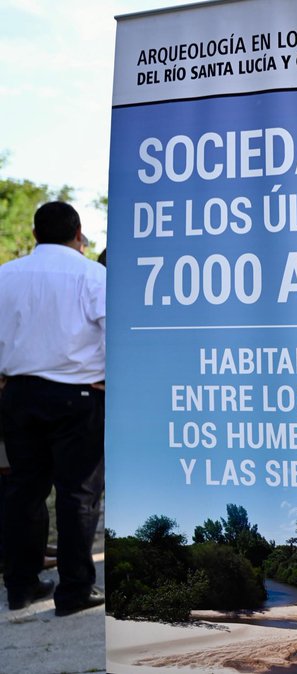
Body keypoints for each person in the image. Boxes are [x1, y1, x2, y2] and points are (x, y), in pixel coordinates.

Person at [0, 201, 107, 616]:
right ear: (78, 234)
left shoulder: (6, 275)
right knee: (77, 494)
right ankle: (75, 590)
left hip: (18, 394)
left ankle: (21, 586)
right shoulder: (93, 275)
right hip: (77, 395)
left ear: (34, 235)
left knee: (24, 490)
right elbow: (111, 333)